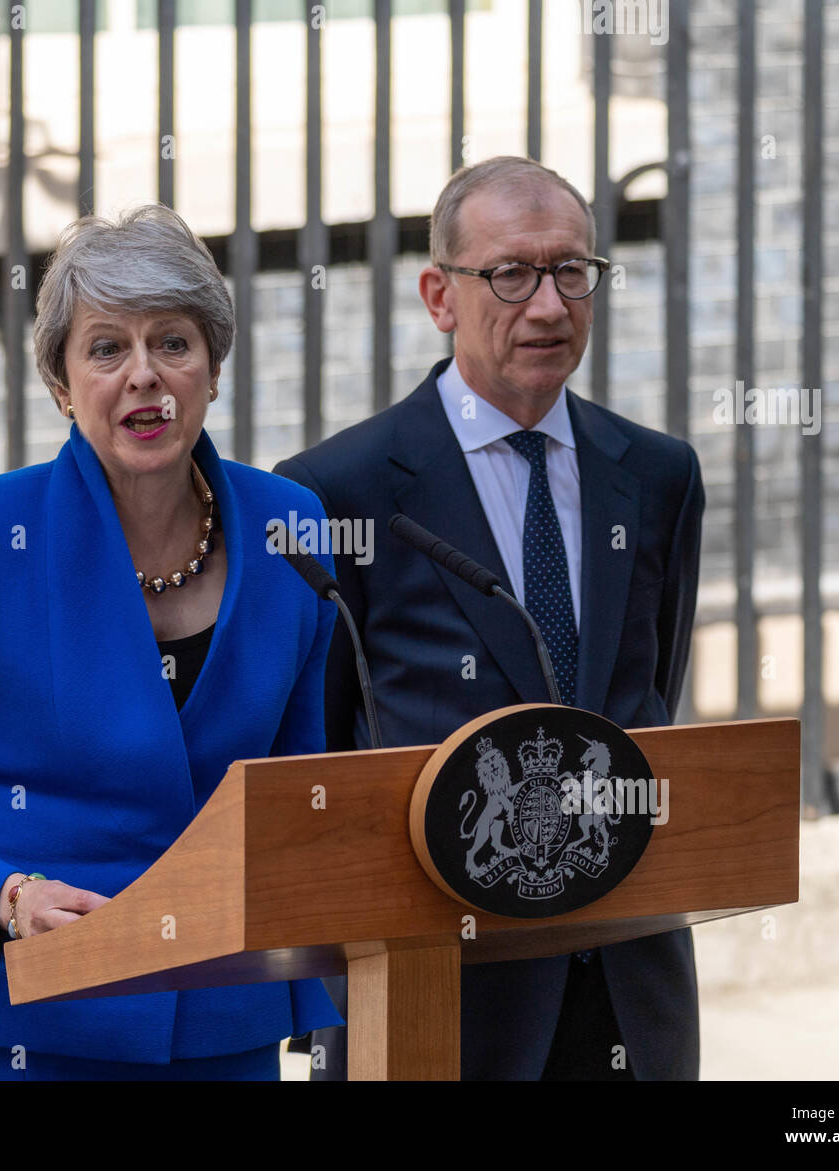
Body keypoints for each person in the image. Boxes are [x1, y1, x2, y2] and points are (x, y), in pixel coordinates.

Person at [0, 205, 342, 1080]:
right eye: (106, 348)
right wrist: (9, 898)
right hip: (11, 1021)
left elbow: (297, 788)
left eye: (173, 343)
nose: (143, 375)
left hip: (222, 1019)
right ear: (63, 386)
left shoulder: (290, 527)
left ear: (213, 369)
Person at [275, 156, 704, 1080]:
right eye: (511, 274)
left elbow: (647, 695)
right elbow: (321, 750)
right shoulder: (337, 489)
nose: (548, 305)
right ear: (440, 294)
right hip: (442, 988)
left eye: (571, 272)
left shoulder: (660, 476)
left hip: (630, 984)